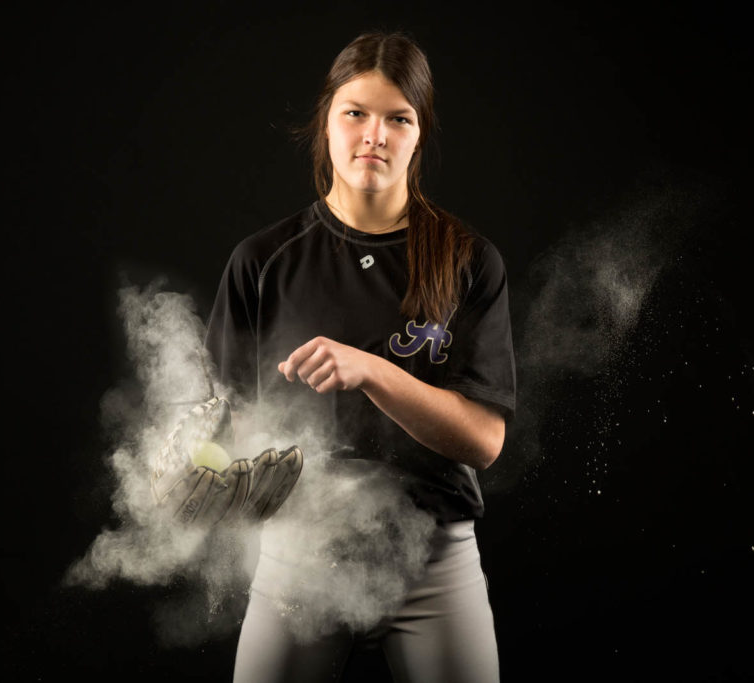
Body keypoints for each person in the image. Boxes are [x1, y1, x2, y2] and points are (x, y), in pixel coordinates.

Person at [204, 31, 515, 683]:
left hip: (434, 557)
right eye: (356, 113)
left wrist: (372, 370)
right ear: (326, 121)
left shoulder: (468, 260)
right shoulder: (261, 262)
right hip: (299, 554)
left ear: (419, 134)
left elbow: (484, 441)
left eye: (398, 118)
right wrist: (198, 482)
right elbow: (224, 428)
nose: (375, 134)